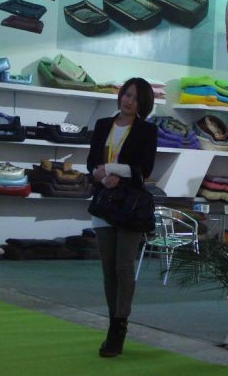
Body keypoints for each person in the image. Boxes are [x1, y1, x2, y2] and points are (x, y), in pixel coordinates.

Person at [86, 77, 157, 358]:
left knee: (124, 266)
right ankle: (112, 322)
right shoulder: (103, 124)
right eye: (127, 94)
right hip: (104, 201)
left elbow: (144, 169)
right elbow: (92, 163)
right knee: (108, 269)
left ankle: (119, 327)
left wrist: (112, 169)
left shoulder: (147, 130)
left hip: (130, 206)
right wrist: (102, 177)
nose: (129, 101)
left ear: (143, 104)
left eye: (136, 98)